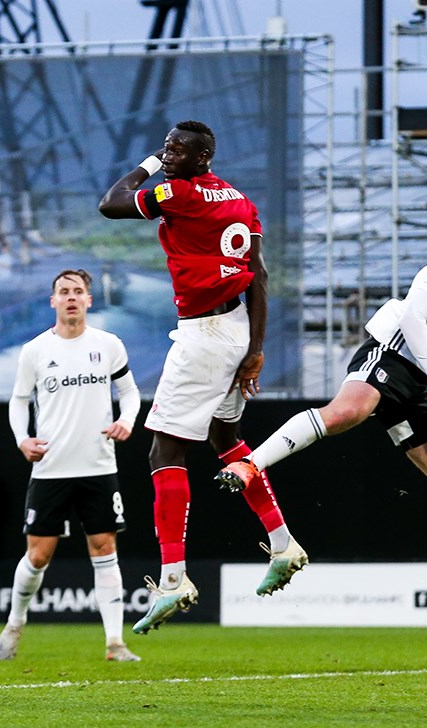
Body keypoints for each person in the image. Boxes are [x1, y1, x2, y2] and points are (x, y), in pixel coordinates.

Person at [216, 199, 427, 634]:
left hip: (415, 381)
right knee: (350, 410)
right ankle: (250, 463)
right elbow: (413, 318)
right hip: (392, 352)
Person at [98, 120, 305, 636]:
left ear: (203, 156)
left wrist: (145, 165)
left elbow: (111, 202)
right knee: (225, 438)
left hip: (205, 335)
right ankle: (283, 543)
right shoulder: (240, 200)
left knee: (164, 450)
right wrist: (255, 350)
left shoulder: (181, 193)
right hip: (236, 329)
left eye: (177, 149)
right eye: (165, 148)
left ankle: (172, 578)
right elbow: (257, 277)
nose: (168, 155)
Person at [0, 268, 142, 663]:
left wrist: (126, 420)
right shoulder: (35, 350)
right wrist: (21, 439)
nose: (71, 297)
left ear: (89, 300)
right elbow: (18, 400)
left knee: (104, 546)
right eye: (64, 291)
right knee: (39, 555)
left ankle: (115, 643)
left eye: (78, 291)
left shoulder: (108, 344)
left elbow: (129, 393)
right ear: (53, 301)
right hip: (51, 468)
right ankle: (15, 622)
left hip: (98, 465)